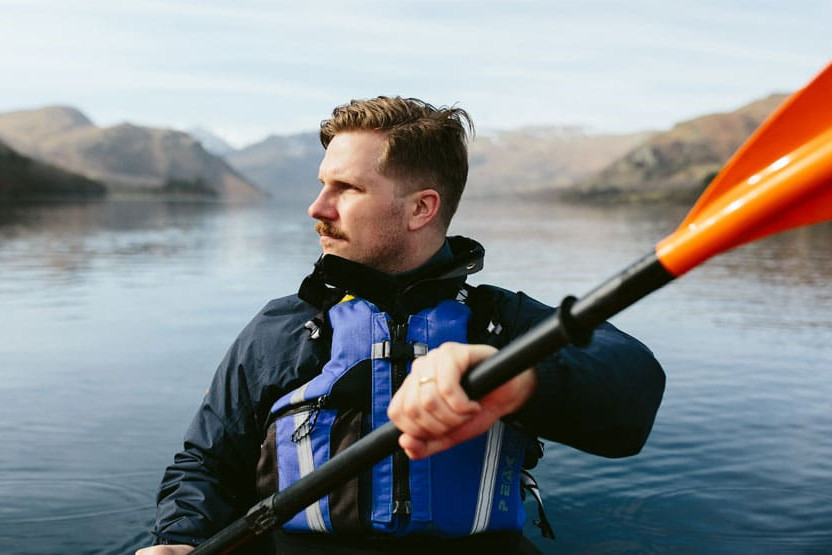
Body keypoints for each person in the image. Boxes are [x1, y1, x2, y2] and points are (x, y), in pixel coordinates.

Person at [138, 97, 665, 554]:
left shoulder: (502, 324)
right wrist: (183, 535)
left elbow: (633, 392)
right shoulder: (281, 329)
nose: (316, 207)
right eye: (323, 184)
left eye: (345, 188)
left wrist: (519, 379)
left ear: (420, 209)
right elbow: (204, 464)